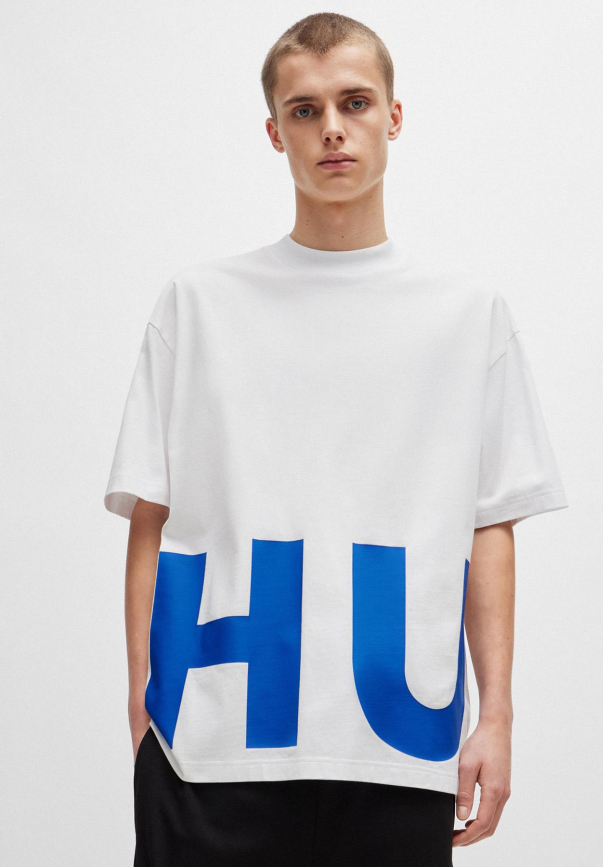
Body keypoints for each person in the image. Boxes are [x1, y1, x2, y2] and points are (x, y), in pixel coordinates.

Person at [104, 12, 569, 866]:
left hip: (395, 749)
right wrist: (142, 708)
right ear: (274, 131)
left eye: (354, 102)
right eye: (304, 109)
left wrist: (496, 714)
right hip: (213, 747)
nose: (332, 129)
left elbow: (489, 522)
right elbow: (151, 515)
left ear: (394, 115)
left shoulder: (468, 315)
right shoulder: (198, 305)